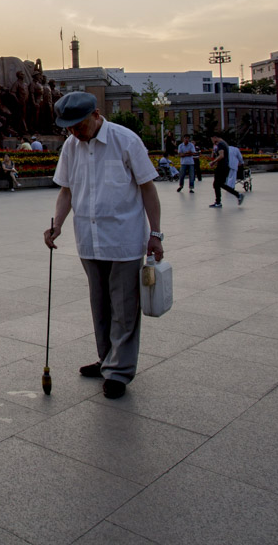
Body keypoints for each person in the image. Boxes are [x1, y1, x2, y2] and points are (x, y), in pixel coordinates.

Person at [44, 92, 163, 400]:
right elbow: (66, 192)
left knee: (124, 308)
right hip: (89, 239)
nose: (74, 132)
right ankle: (106, 358)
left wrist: (156, 234)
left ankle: (119, 372)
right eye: (68, 127)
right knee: (100, 306)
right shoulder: (71, 147)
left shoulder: (126, 141)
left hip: (123, 239)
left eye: (78, 125)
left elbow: (148, 189)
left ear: (96, 114)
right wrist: (57, 224)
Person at [208, 136, 244, 207]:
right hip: (224, 167)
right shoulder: (224, 143)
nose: (211, 141)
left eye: (211, 139)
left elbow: (221, 156)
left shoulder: (220, 144)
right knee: (218, 184)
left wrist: (213, 162)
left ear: (214, 137)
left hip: (221, 167)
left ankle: (219, 202)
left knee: (217, 184)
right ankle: (236, 195)